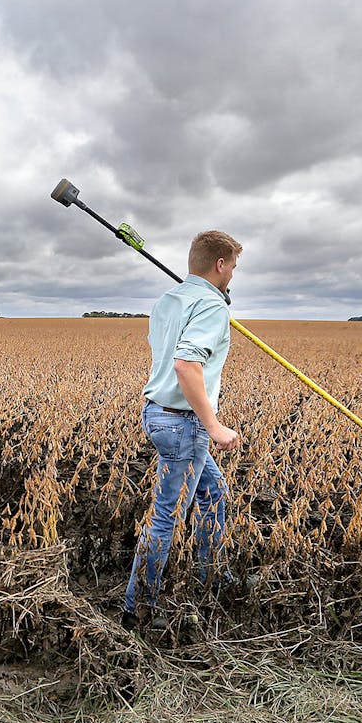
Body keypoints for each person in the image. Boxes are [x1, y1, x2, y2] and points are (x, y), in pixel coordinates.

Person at [122, 230, 245, 632]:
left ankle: (209, 577)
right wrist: (214, 426)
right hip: (185, 423)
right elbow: (186, 364)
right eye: (234, 268)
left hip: (157, 414)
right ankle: (137, 610)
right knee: (166, 518)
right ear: (220, 265)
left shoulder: (169, 300)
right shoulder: (209, 306)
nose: (233, 276)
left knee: (213, 492)